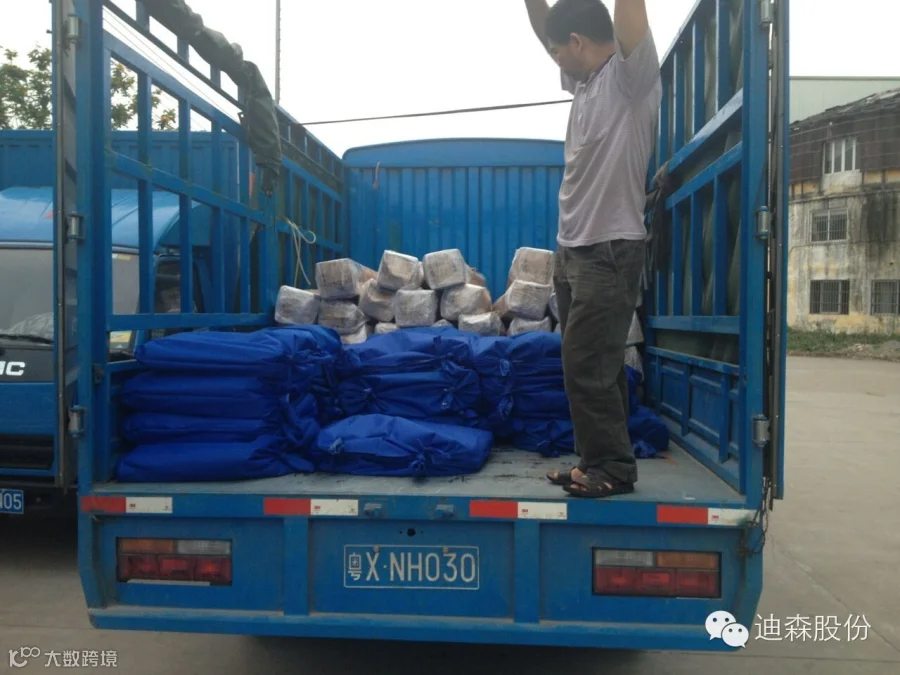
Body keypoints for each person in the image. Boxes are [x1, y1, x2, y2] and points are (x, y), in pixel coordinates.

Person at [524, 0, 661, 498]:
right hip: (574, 250)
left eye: (558, 52)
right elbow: (547, 28)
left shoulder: (630, 79)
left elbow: (629, 17)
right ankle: (597, 460)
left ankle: (614, 469)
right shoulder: (583, 83)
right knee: (593, 364)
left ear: (578, 43)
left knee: (587, 364)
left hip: (609, 249)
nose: (555, 59)